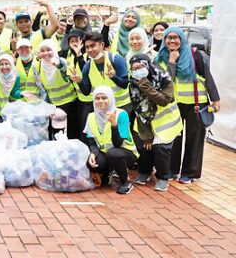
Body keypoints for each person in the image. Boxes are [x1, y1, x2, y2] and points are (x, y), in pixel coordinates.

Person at [155, 27, 220, 183]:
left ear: (182, 39)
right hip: (173, 105)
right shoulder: (160, 59)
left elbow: (207, 76)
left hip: (196, 104)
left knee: (195, 140)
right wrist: (171, 61)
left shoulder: (194, 54)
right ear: (164, 40)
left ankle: (189, 173)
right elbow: (165, 81)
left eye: (176, 37)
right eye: (168, 37)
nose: (172, 41)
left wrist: (215, 99)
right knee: (173, 138)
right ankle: (171, 169)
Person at [128, 54, 183, 191]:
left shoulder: (164, 78)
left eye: (140, 67)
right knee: (142, 146)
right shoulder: (133, 85)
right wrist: (147, 136)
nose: (137, 71)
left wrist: (145, 85)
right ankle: (145, 171)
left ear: (147, 65)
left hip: (166, 122)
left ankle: (163, 177)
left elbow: (163, 100)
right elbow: (139, 110)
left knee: (160, 149)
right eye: (134, 69)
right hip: (144, 123)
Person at [85, 86, 139, 194]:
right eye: (97, 98)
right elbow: (91, 141)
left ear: (110, 99)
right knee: (91, 162)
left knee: (113, 154)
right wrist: (93, 153)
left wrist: (114, 124)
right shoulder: (91, 116)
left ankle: (125, 182)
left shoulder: (121, 114)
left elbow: (118, 143)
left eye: (104, 98)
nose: (101, 101)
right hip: (107, 152)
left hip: (125, 152)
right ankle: (106, 173)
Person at [33, 40, 80, 140]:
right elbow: (41, 89)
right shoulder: (38, 67)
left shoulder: (60, 61)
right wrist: (48, 107)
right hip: (53, 106)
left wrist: (59, 64)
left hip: (70, 104)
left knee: (72, 134)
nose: (46, 53)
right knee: (57, 135)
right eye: (43, 51)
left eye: (48, 50)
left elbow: (64, 67)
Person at [74, 32, 130, 110]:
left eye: (93, 46)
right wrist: (79, 81)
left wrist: (113, 77)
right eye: (87, 47)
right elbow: (86, 92)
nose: (90, 50)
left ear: (102, 45)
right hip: (103, 108)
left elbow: (125, 84)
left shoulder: (116, 60)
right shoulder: (87, 67)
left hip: (122, 105)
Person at [62, 30, 92, 145]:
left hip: (89, 98)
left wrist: (79, 54)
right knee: (79, 126)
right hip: (79, 98)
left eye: (77, 40)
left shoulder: (87, 55)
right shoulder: (69, 56)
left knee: (86, 128)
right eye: (71, 41)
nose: (74, 43)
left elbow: (86, 71)